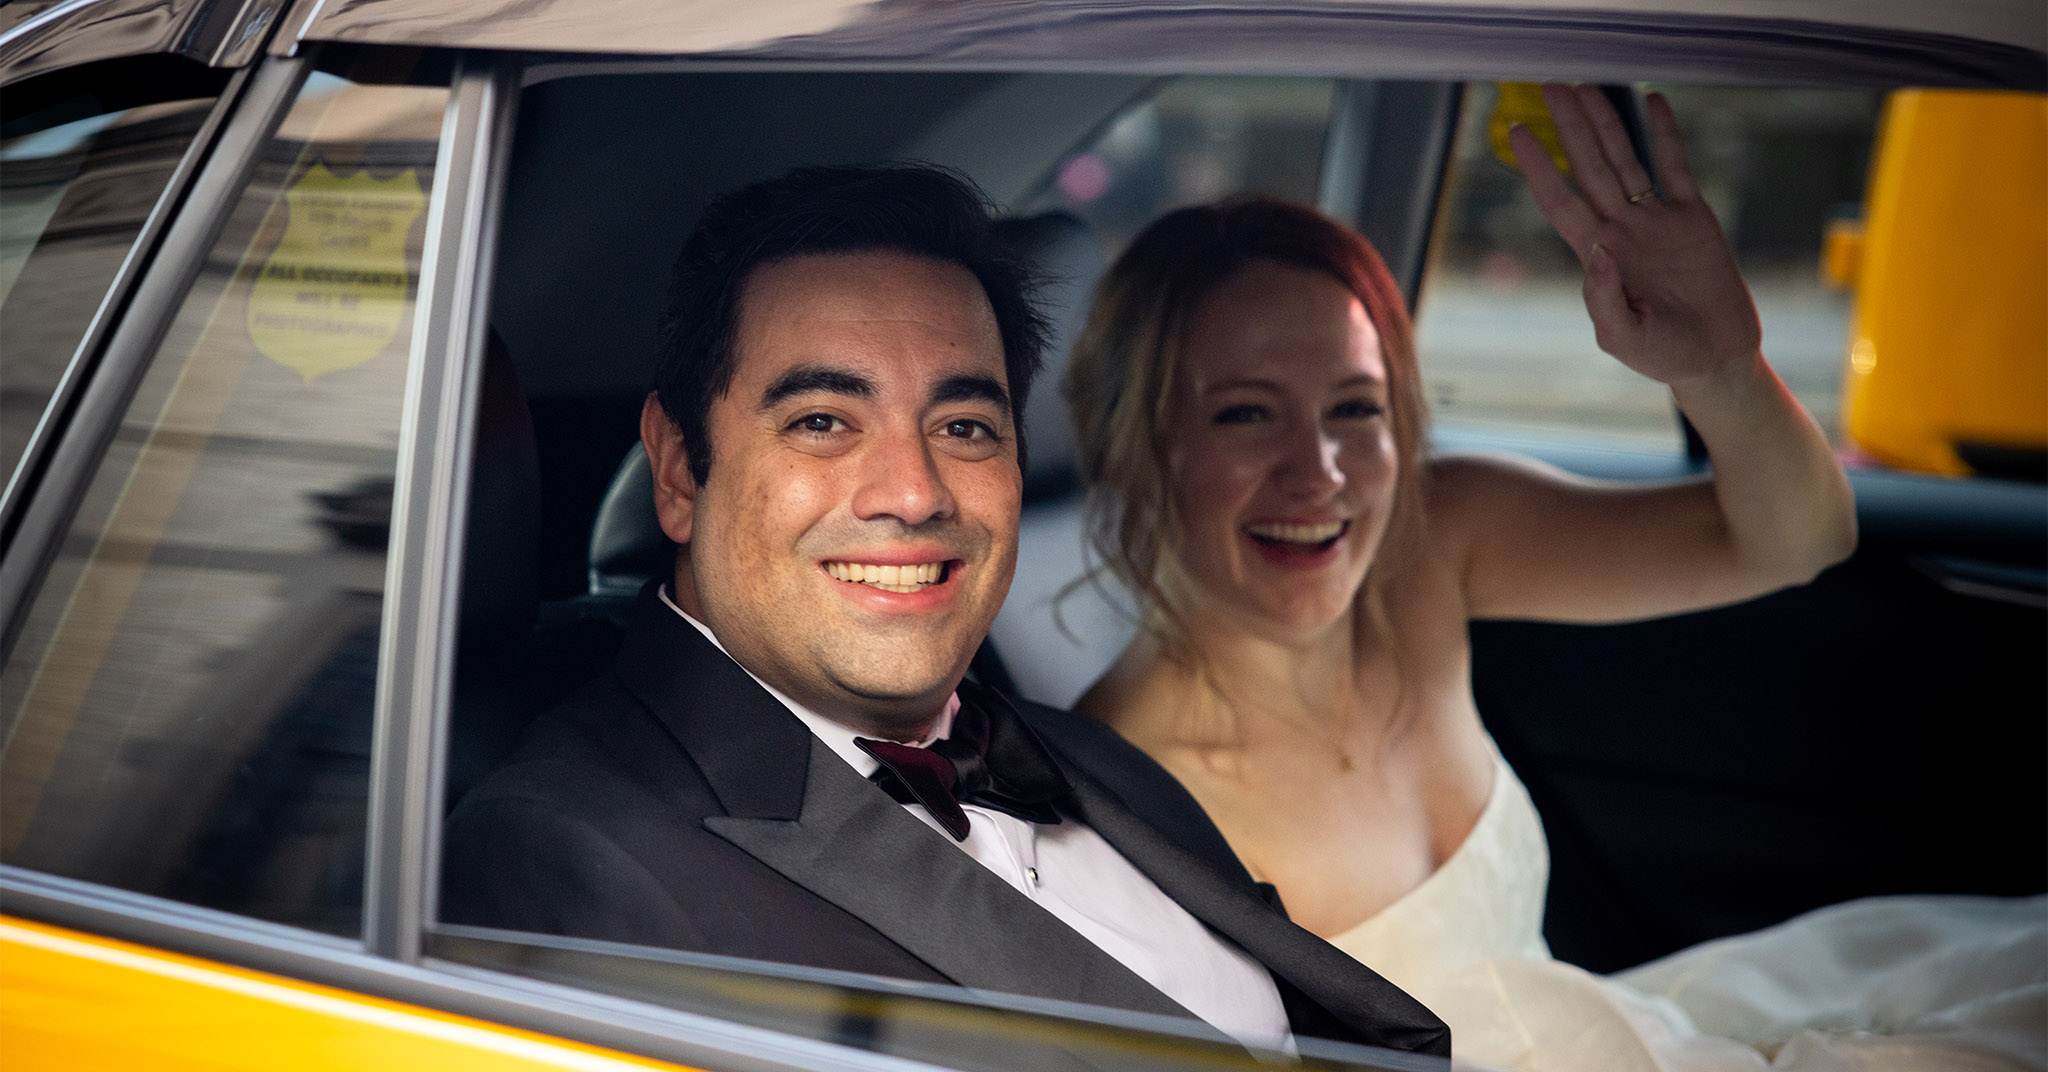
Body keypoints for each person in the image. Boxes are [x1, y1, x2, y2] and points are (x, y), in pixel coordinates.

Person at [1062, 84, 2044, 1070]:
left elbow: (1797, 539)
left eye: (1354, 409)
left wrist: (1720, 366)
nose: (1317, 472)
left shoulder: (1428, 542)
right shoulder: (1125, 807)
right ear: (1134, 440)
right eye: (1244, 413)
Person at [441, 164, 1450, 1058]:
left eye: (963, 425)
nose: (914, 491)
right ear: (677, 468)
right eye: (823, 421)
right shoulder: (563, 863)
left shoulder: (1097, 764)